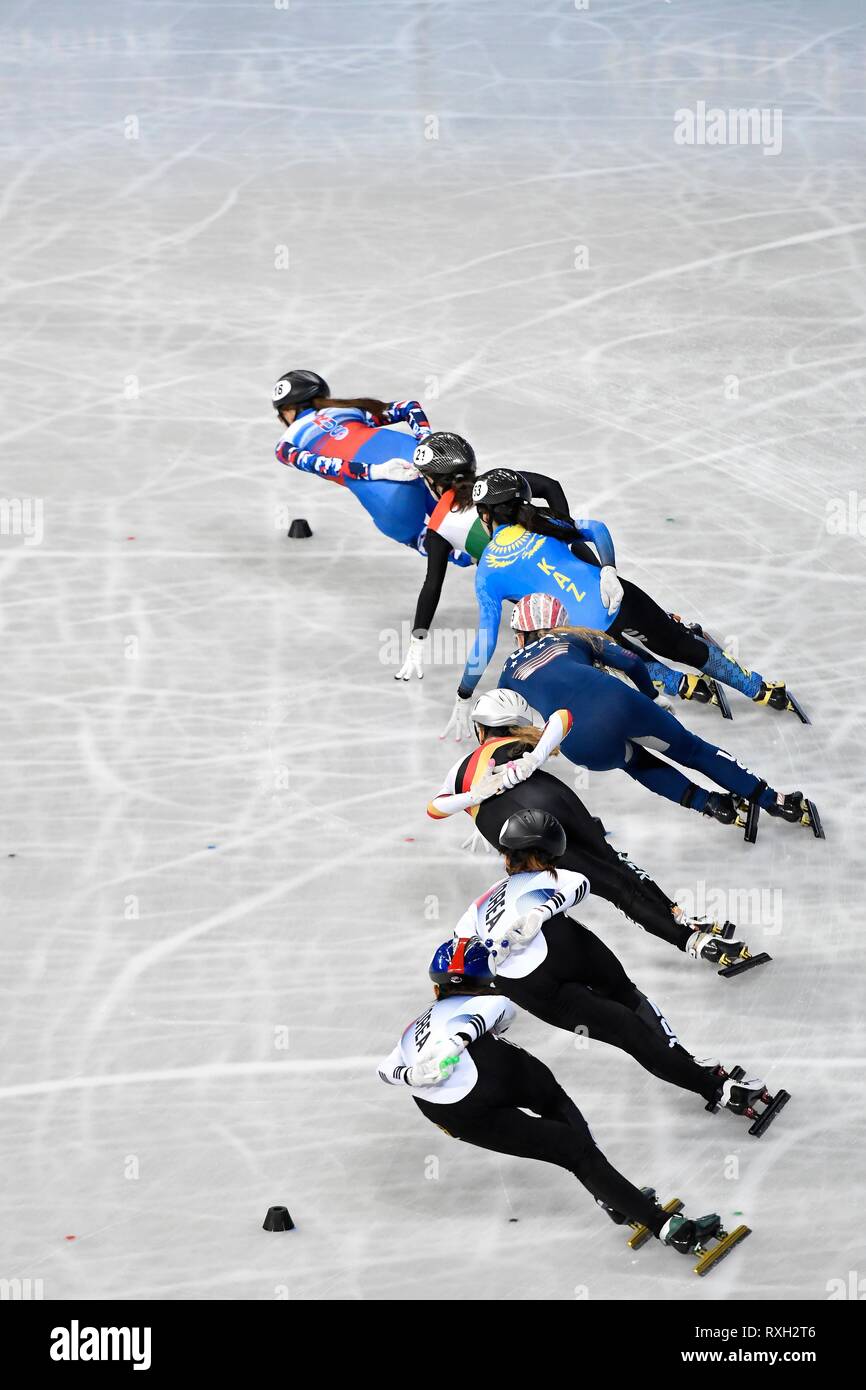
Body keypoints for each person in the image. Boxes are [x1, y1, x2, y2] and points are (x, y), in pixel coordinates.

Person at [376, 943, 747, 1266]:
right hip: (494, 1070)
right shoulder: (491, 998)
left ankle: (612, 1196)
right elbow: (492, 1011)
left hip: (453, 1109)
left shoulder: (412, 1030)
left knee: (571, 1148)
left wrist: (418, 1071)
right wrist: (456, 1042)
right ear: (485, 980)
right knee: (566, 1130)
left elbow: (385, 1068)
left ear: (435, 987)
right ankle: (667, 1228)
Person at [444, 808, 784, 1136]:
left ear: (508, 857)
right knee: (630, 1001)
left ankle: (714, 1087)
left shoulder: (481, 902)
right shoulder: (550, 876)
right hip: (569, 947)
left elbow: (455, 956)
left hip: (530, 985)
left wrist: (488, 964)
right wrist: (543, 912)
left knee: (629, 1035)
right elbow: (578, 885)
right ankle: (698, 1072)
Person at [440, 467, 807, 736]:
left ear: (485, 516)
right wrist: (608, 570)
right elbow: (596, 528)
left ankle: (688, 688)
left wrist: (464, 692)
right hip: (616, 595)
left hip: (585, 633)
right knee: (682, 645)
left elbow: (486, 641)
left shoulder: (487, 571)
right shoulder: (542, 521)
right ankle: (761, 689)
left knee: (640, 664)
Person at [426, 688, 761, 966]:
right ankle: (681, 922)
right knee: (615, 866)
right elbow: (564, 716)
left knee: (614, 887)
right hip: (552, 801)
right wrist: (535, 757)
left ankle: (690, 937)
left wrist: (473, 794)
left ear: (480, 729)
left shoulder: (459, 768)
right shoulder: (511, 745)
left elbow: (435, 808)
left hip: (509, 831)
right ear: (515, 726)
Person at [491, 593, 822, 836]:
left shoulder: (508, 671)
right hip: (619, 702)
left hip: (578, 741)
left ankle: (711, 804)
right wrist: (652, 696)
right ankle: (775, 801)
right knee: (693, 750)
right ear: (558, 623)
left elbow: (504, 727)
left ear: (520, 633)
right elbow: (633, 662)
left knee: (636, 763)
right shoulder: (571, 636)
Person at [394, 433, 576, 680]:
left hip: (533, 593)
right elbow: (550, 486)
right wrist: (566, 533)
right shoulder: (494, 483)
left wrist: (417, 640)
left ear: (434, 482)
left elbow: (432, 585)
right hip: (562, 561)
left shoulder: (439, 525)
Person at [272, 368, 432, 548]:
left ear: (287, 411)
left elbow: (325, 465)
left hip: (385, 489)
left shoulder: (285, 445)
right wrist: (426, 443)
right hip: (415, 452)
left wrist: (377, 471)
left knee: (421, 539)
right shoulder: (350, 410)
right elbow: (409, 407)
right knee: (459, 515)